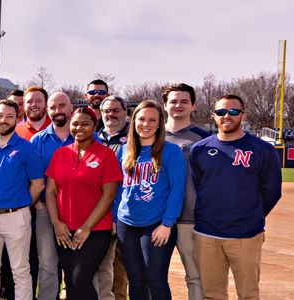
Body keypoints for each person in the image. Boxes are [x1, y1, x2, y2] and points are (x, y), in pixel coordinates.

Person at [189, 94, 281, 300]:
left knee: (248, 294)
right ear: (214, 116)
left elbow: (272, 191)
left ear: (243, 115)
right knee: (211, 294)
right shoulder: (200, 149)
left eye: (233, 111)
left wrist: (250, 215)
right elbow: (199, 186)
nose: (227, 116)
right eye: (221, 112)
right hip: (207, 234)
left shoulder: (263, 149)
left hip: (246, 235)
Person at [43, 107, 121, 299]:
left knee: (81, 280)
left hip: (94, 231)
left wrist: (86, 227)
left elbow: (109, 194)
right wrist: (56, 223)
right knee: (71, 283)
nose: (79, 128)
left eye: (85, 124)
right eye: (75, 123)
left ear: (95, 126)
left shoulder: (105, 154)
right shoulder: (60, 154)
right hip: (64, 231)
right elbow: (51, 191)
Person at [114, 100, 186, 300]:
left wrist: (167, 224)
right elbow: (121, 188)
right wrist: (115, 218)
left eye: (152, 120)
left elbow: (177, 190)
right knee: (135, 280)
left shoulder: (171, 151)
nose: (146, 124)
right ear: (133, 120)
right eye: (142, 119)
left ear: (160, 123)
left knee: (155, 279)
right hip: (126, 224)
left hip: (156, 224)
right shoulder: (125, 150)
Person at [0, 99, 44, 300]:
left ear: (17, 119)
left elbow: (37, 184)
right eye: (0, 115)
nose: (4, 120)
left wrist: (19, 204)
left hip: (16, 217)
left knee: (20, 270)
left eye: (9, 116)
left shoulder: (27, 149)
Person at [161, 83, 210, 300]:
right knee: (153, 275)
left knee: (195, 276)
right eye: (173, 101)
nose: (178, 105)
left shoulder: (204, 138)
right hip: (154, 218)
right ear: (164, 105)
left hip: (189, 218)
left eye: (184, 101)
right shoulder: (150, 132)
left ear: (193, 106)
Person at [28, 92, 76, 300]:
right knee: (47, 264)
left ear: (71, 108)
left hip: (79, 211)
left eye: (62, 106)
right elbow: (31, 176)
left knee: (80, 265)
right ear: (48, 111)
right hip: (46, 210)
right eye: (53, 107)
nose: (58, 111)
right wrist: (38, 204)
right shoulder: (38, 140)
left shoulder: (87, 136)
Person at [96, 95, 130, 300]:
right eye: (107, 111)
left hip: (124, 214)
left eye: (116, 110)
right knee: (99, 270)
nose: (111, 114)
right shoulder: (92, 137)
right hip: (96, 215)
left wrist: (117, 216)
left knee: (120, 270)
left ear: (125, 112)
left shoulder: (135, 138)